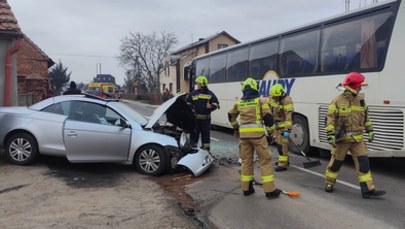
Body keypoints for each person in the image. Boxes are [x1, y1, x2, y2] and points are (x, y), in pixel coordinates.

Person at [325, 72, 386, 199]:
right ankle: (329, 183)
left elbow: (366, 118)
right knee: (336, 163)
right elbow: (330, 119)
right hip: (342, 140)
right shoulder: (337, 100)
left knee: (364, 164)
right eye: (359, 86)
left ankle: (368, 190)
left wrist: (370, 130)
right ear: (352, 86)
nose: (360, 88)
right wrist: (330, 134)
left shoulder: (361, 100)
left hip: (358, 140)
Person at [228, 77, 281, 199]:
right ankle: (269, 191)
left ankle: (247, 189)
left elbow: (230, 116)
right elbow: (268, 120)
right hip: (258, 137)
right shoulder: (261, 101)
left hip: (244, 138)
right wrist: (272, 135)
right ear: (255, 88)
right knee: (266, 161)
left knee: (246, 162)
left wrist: (236, 128)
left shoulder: (239, 103)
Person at [186, 76, 219, 151]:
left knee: (206, 138)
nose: (197, 85)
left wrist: (211, 106)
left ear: (203, 84)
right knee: (194, 136)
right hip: (195, 120)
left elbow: (216, 103)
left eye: (199, 83)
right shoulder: (193, 94)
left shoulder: (210, 94)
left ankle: (206, 152)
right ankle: (192, 151)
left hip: (206, 121)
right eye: (197, 83)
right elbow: (187, 103)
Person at [268, 84, 294, 172]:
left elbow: (289, 116)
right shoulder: (275, 99)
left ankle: (283, 165)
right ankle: (284, 161)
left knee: (282, 146)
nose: (274, 98)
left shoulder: (287, 101)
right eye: (273, 96)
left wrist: (287, 130)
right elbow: (269, 104)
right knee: (280, 145)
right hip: (277, 127)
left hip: (284, 128)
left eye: (275, 97)